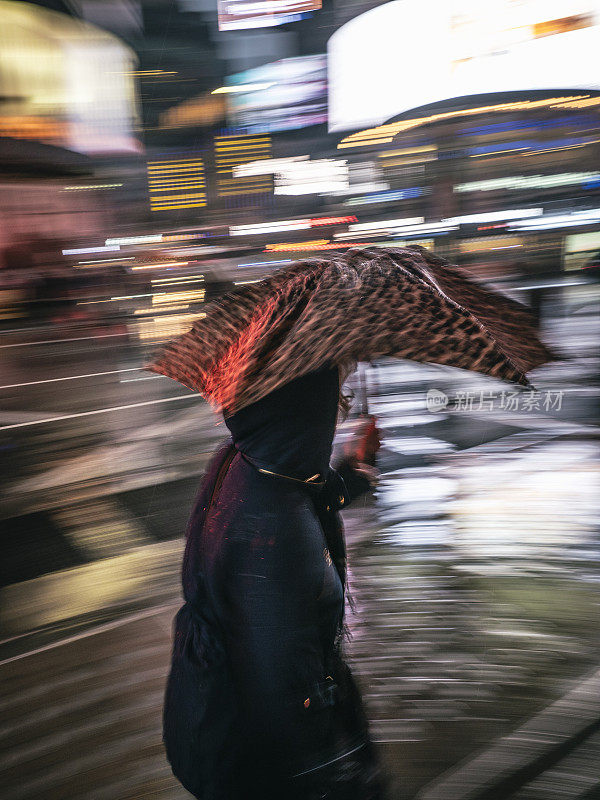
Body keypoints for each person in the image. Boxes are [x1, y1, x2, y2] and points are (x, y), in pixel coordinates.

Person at [165, 362, 386, 799]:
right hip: (271, 768)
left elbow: (308, 493)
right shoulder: (273, 529)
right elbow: (283, 688)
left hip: (229, 730)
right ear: (300, 410)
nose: (336, 414)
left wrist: (357, 469)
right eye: (329, 402)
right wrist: (330, 779)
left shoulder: (247, 461)